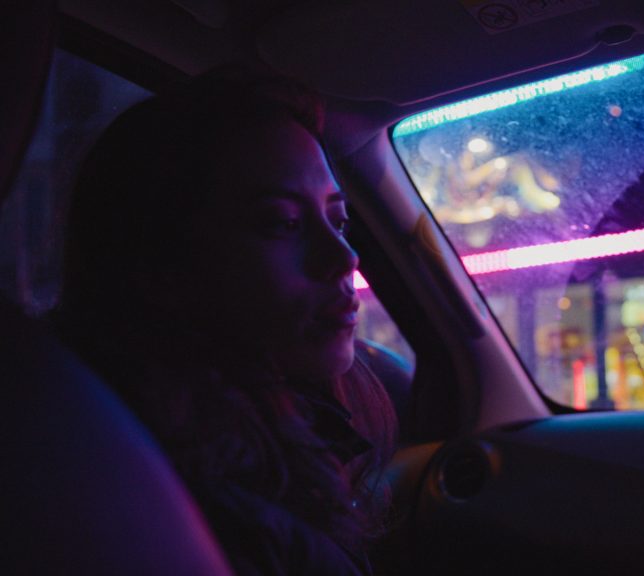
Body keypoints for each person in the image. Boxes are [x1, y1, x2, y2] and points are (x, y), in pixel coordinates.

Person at [55, 69, 397, 575]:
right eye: (282, 223)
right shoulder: (209, 513)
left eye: (338, 220)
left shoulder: (266, 447)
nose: (343, 256)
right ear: (162, 263)